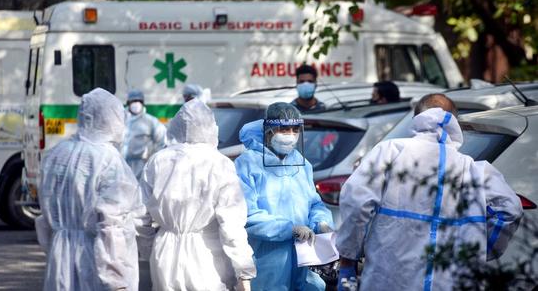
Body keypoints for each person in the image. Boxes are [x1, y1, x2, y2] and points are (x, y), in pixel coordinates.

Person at [335, 93, 523, 291]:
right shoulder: (474, 169)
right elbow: (510, 210)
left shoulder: (390, 151)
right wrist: (479, 249)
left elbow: (356, 202)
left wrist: (348, 262)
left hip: (387, 281)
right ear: (454, 122)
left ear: (416, 118)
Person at [137, 99, 256, 291]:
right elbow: (232, 225)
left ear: (174, 127)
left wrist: (147, 249)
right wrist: (243, 271)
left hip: (164, 254)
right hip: (206, 256)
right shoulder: (219, 163)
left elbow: (139, 216)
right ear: (211, 128)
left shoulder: (157, 161)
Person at [35, 88, 144, 290]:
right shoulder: (109, 160)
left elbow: (45, 218)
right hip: (93, 260)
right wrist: (116, 280)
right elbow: (112, 228)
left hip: (59, 257)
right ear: (111, 118)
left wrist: (56, 249)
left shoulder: (56, 154)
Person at [235, 102, 334, 290]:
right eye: (284, 129)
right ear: (269, 131)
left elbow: (314, 203)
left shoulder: (301, 163)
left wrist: (320, 222)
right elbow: (247, 215)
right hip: (268, 261)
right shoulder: (248, 164)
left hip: (305, 258)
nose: (290, 135)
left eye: (295, 129)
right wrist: (289, 228)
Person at [122, 89, 167, 180]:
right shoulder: (121, 120)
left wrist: (154, 161)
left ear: (143, 103)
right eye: (133, 101)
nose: (136, 104)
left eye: (139, 101)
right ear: (128, 103)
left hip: (142, 166)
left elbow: (162, 142)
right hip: (122, 165)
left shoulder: (150, 121)